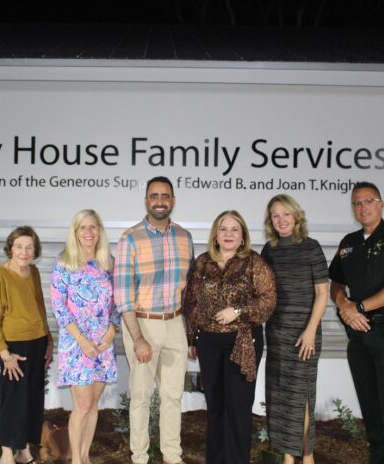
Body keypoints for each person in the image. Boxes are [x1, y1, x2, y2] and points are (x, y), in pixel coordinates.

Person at [328, 181, 384, 464]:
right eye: (356, 203)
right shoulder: (348, 244)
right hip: (358, 334)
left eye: (368, 201)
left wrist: (361, 307)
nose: (362, 207)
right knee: (371, 409)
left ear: (381, 204)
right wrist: (344, 305)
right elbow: (336, 284)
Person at [183, 210, 276, 464]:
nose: (228, 234)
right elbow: (190, 302)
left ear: (243, 235)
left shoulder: (255, 263)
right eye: (223, 229)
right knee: (215, 407)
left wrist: (238, 311)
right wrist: (191, 338)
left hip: (243, 341)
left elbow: (268, 301)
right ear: (215, 234)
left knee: (237, 408)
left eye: (235, 229)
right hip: (208, 342)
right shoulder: (202, 263)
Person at [114, 176, 194, 464]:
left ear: (173, 200)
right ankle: (140, 457)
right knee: (141, 397)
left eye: (165, 196)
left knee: (172, 397)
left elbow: (191, 291)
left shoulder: (185, 238)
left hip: (175, 324)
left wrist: (191, 335)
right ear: (146, 200)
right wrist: (138, 338)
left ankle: (172, 456)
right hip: (142, 324)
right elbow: (122, 295)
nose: (160, 201)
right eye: (154, 196)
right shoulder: (130, 239)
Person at [261, 194, 329, 464]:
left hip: (305, 334)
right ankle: (289, 457)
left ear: (296, 216)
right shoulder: (269, 250)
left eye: (286, 214)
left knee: (302, 397)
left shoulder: (311, 248)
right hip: (277, 333)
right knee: (280, 396)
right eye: (275, 215)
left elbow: (323, 293)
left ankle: (308, 455)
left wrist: (311, 329)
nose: (281, 220)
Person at [50, 209, 119, 464]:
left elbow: (117, 304)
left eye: (93, 227)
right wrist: (82, 342)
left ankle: (86, 456)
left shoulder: (109, 263)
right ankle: (76, 460)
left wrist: (112, 332)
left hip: (102, 344)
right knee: (81, 406)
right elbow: (59, 308)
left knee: (93, 405)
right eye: (83, 227)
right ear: (75, 232)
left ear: (99, 231)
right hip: (77, 345)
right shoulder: (64, 263)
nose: (89, 232)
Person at [0, 226, 54, 464]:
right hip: (14, 347)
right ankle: (6, 453)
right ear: (10, 248)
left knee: (32, 399)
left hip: (37, 342)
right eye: (19, 247)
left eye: (29, 247)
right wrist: (5, 354)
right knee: (13, 400)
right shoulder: (0, 275)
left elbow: (40, 306)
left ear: (35, 250)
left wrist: (49, 339)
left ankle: (24, 451)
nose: (24, 252)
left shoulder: (33, 272)